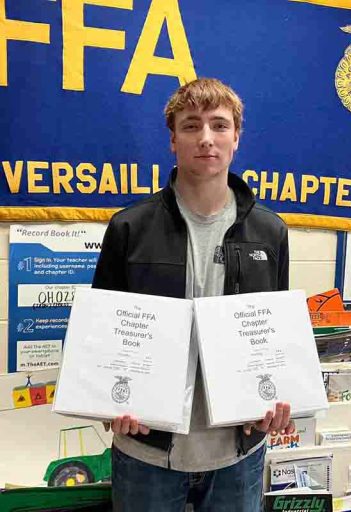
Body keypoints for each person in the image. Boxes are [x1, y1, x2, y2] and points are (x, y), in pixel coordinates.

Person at [92, 78, 295, 511]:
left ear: (236, 137)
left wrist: (277, 398)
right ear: (172, 139)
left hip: (238, 453)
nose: (206, 139)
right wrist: (109, 398)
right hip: (146, 449)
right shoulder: (129, 228)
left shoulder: (270, 231)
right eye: (191, 126)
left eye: (219, 126)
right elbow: (102, 338)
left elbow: (274, 339)